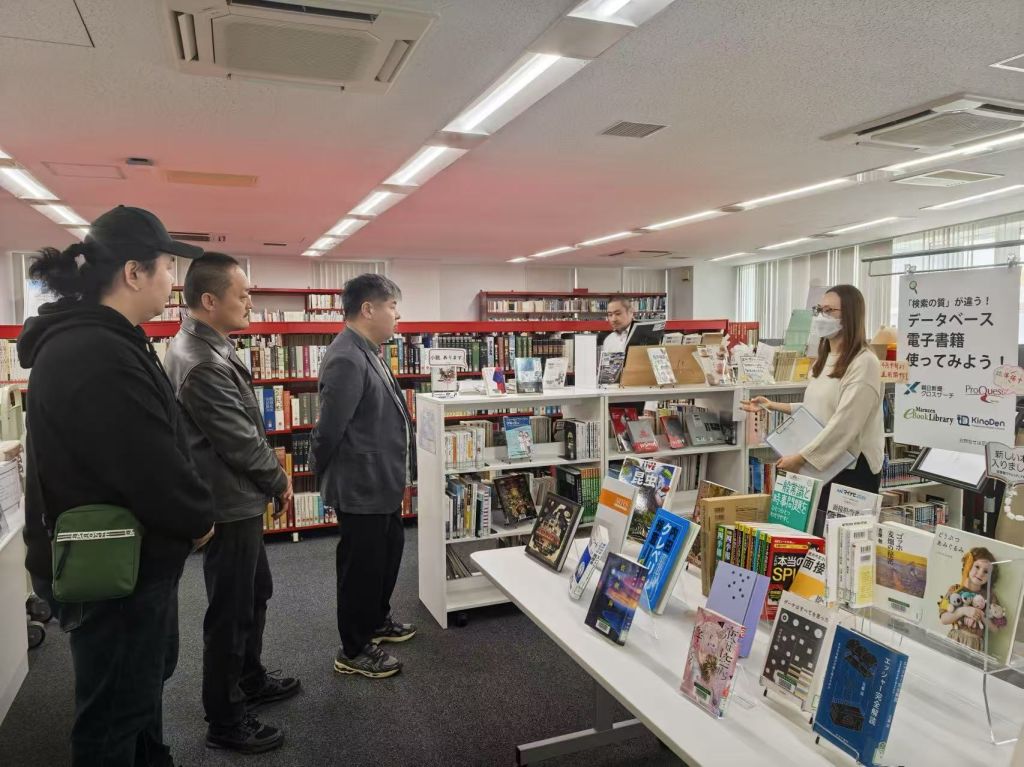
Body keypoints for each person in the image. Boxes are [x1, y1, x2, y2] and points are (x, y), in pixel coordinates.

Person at [17, 205, 216, 767]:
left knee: (137, 693)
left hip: (122, 557)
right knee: (112, 715)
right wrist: (199, 518)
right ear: (133, 272)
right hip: (114, 569)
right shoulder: (96, 351)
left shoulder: (105, 339)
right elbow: (147, 463)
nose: (172, 281)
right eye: (167, 267)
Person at [163, 253, 300, 754]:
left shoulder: (203, 346)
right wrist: (279, 481)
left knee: (253, 593)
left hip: (234, 496)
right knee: (232, 609)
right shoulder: (200, 361)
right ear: (208, 300)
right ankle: (225, 718)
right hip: (227, 502)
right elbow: (239, 440)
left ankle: (249, 678)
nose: (250, 303)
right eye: (242, 295)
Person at [312, 273, 416, 679]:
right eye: (392, 306)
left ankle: (376, 621)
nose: (397, 314)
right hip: (361, 485)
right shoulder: (346, 356)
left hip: (381, 481)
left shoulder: (369, 350)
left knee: (386, 556)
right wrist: (323, 472)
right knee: (361, 568)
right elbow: (329, 430)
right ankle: (353, 649)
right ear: (368, 309)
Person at [740, 284, 884, 536]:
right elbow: (818, 409)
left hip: (850, 469)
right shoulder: (826, 359)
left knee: (840, 544)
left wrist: (801, 458)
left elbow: (844, 424)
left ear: (849, 315)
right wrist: (773, 405)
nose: (820, 317)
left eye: (829, 311)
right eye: (819, 309)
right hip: (822, 465)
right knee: (812, 538)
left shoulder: (864, 363)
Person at [598, 295, 661, 414]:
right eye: (610, 314)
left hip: (639, 398)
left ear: (631, 312)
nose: (613, 319)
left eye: (618, 313)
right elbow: (609, 376)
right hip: (614, 400)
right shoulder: (609, 340)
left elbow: (655, 370)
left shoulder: (647, 335)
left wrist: (650, 406)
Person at [938, 546, 1007, 652]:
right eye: (977, 567)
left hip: (975, 645)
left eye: (986, 571)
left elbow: (995, 629)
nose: (980, 573)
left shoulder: (990, 596)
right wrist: (962, 611)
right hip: (955, 639)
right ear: (969, 565)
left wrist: (982, 615)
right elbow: (943, 619)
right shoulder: (955, 589)